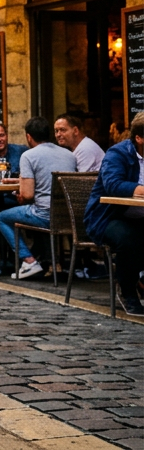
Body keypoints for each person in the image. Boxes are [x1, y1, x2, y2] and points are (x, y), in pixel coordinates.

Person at [0, 117, 77, 280]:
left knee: (1, 217)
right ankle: (51, 262)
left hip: (45, 215)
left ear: (28, 136)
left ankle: (29, 261)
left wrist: (21, 193)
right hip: (69, 216)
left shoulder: (28, 156)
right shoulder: (69, 155)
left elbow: (27, 195)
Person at [84, 111, 144, 317]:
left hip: (140, 217)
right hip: (109, 216)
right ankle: (127, 291)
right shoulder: (118, 154)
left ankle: (139, 279)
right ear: (139, 138)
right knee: (129, 239)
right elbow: (113, 185)